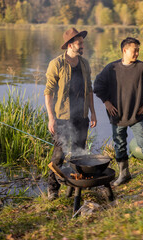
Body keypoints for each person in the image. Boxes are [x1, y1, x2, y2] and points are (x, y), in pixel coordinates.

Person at [94, 37, 143, 186]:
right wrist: (106, 102)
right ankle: (124, 174)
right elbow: (98, 85)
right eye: (135, 50)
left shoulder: (142, 68)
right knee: (119, 145)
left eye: (138, 50)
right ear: (125, 50)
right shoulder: (111, 68)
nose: (137, 53)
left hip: (137, 115)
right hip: (117, 115)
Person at [44, 28, 97, 200]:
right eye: (80, 43)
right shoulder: (56, 64)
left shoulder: (84, 64)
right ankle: (53, 188)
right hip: (62, 118)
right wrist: (51, 118)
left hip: (81, 116)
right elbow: (48, 92)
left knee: (79, 154)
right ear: (70, 44)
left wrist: (93, 114)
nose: (83, 45)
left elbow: (89, 90)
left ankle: (76, 186)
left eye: (82, 42)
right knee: (59, 155)